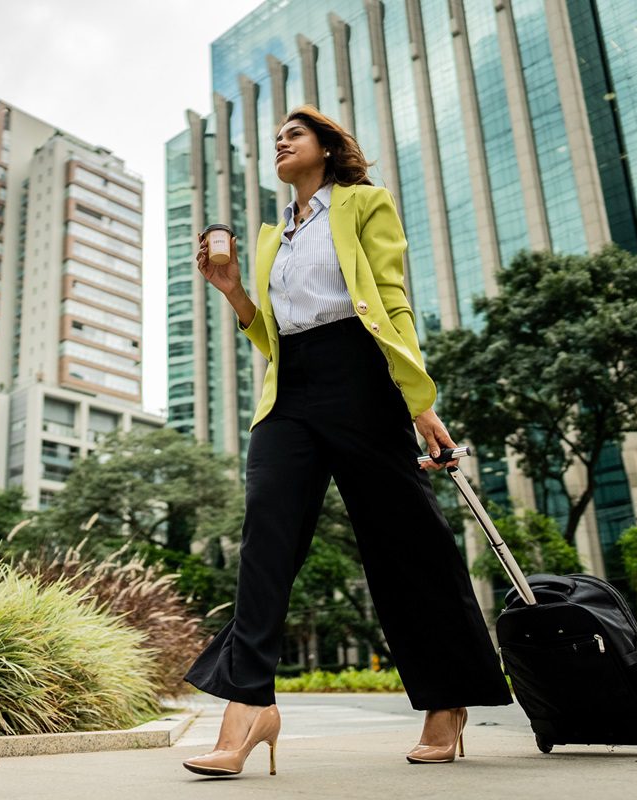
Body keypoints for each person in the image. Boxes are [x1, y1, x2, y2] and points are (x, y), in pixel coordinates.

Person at [181, 106, 512, 777]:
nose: (281, 142)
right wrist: (234, 291)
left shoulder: (364, 205)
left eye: (294, 134)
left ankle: (447, 701)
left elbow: (390, 300)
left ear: (328, 150)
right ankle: (248, 708)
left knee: (405, 542)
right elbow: (270, 334)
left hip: (361, 377)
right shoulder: (276, 236)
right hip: (290, 390)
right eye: (278, 137)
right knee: (266, 543)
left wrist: (419, 402)